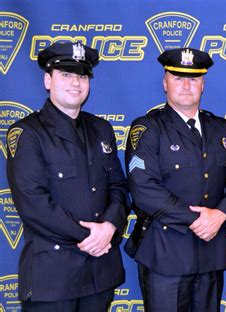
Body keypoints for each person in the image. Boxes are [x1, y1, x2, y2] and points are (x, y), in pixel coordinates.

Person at [124, 47, 226, 312]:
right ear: (164, 83)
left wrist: (221, 215)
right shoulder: (147, 129)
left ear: (203, 84)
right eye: (178, 78)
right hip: (165, 254)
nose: (186, 86)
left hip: (210, 254)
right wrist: (198, 219)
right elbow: (143, 188)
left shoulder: (221, 129)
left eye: (193, 79)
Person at [6, 42, 129, 311]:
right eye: (66, 75)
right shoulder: (27, 133)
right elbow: (33, 204)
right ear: (48, 80)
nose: (76, 83)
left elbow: (118, 187)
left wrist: (109, 226)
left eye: (82, 76)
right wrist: (90, 236)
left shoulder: (101, 129)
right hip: (54, 277)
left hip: (100, 273)